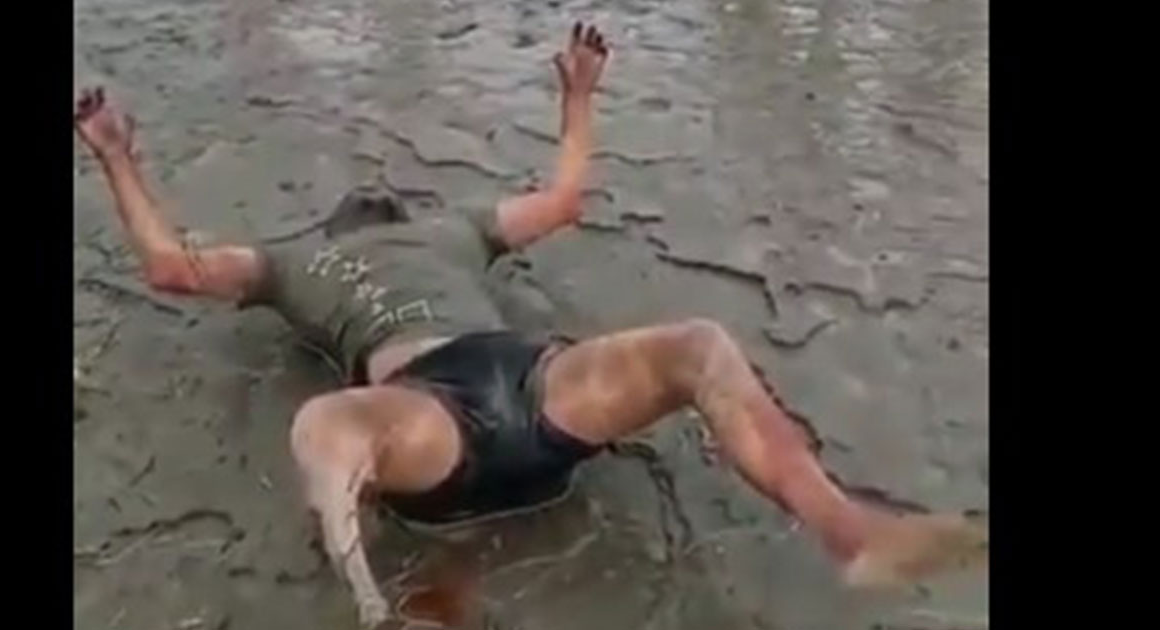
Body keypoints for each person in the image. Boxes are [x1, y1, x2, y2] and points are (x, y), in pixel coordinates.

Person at [74, 22, 985, 629]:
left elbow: (562, 200)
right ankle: (374, 609)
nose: (375, 194)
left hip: (529, 377)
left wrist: (580, 98)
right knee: (326, 423)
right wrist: (117, 158)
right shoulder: (293, 262)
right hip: (424, 409)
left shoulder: (452, 229)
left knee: (701, 344)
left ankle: (848, 531)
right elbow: (172, 267)